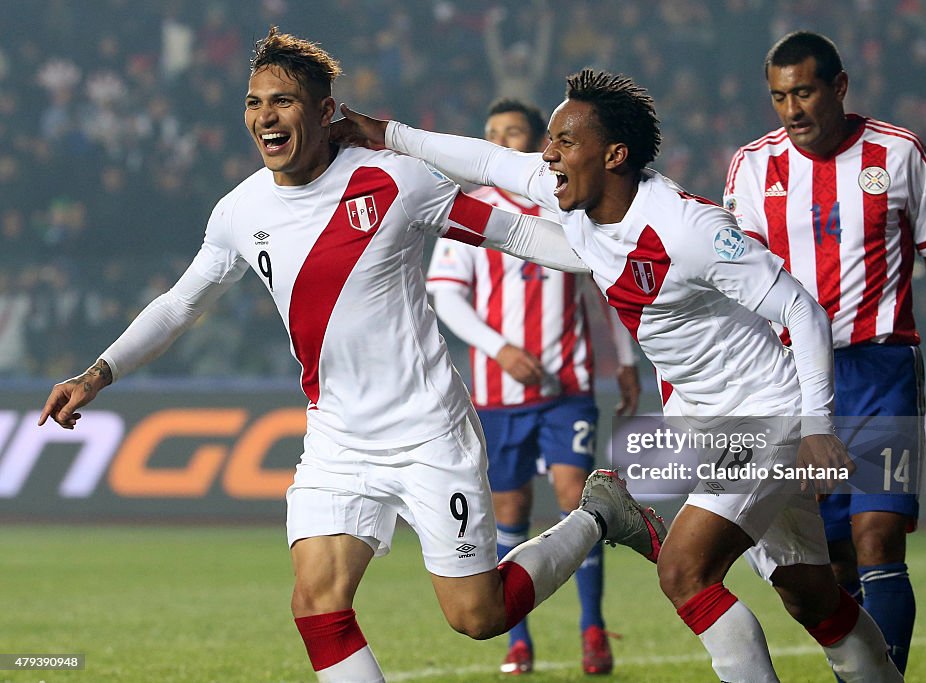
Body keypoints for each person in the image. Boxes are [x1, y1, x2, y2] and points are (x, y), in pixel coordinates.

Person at [36, 29, 667, 683]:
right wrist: (97, 371)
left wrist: (619, 247)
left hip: (428, 431)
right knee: (317, 604)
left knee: (477, 615)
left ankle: (598, 514)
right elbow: (179, 304)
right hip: (338, 438)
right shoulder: (238, 210)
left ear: (324, 110)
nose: (264, 116)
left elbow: (517, 232)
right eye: (254, 102)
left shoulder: (395, 180)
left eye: (282, 101)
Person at [337, 67, 904, 682]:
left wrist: (818, 427)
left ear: (614, 155)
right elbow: (485, 160)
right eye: (548, 141)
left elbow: (800, 308)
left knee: (685, 571)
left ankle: (616, 517)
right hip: (700, 418)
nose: (547, 156)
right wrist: (385, 133)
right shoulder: (572, 197)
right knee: (811, 596)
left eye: (563, 142)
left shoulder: (690, 230)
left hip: (766, 413)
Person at [723, 30, 926, 674]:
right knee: (830, 554)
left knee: (877, 537)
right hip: (792, 380)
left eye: (804, 92)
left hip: (881, 370)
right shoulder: (751, 167)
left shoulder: (899, 153)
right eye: (779, 97)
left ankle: (889, 676)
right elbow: (732, 281)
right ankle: (865, 670)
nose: (792, 110)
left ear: (839, 86)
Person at [425, 97, 639, 675]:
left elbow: (607, 283)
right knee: (511, 508)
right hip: (498, 394)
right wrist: (500, 349)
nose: (501, 141)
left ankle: (592, 630)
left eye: (514, 132)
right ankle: (518, 640)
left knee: (575, 497)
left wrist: (624, 359)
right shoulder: (468, 210)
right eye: (492, 132)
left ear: (538, 140)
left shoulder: (567, 203)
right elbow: (445, 293)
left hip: (567, 384)